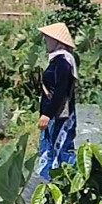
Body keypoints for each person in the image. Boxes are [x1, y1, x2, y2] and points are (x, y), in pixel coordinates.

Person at [35, 22, 78, 180]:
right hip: (54, 115)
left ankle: (61, 185)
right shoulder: (58, 60)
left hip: (59, 116)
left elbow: (60, 91)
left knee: (61, 149)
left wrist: (47, 113)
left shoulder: (63, 62)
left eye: (48, 39)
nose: (46, 41)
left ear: (57, 41)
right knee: (50, 149)